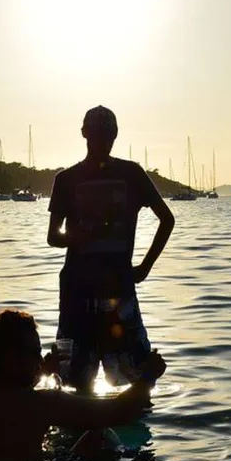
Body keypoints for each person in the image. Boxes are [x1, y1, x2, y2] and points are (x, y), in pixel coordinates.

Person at [0, 309, 167, 461]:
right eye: (34, 353)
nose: (39, 359)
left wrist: (40, 373)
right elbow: (120, 412)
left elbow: (8, 400)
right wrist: (148, 377)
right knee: (99, 436)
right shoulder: (43, 403)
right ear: (10, 359)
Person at [46, 106, 175, 394]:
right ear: (84, 134)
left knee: (137, 375)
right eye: (97, 135)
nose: (103, 141)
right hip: (77, 292)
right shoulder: (66, 180)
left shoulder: (132, 174)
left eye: (107, 135)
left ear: (115, 135)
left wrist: (144, 268)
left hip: (118, 289)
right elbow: (53, 237)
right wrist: (79, 236)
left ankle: (126, 432)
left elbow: (167, 219)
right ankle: (84, 431)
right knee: (75, 380)